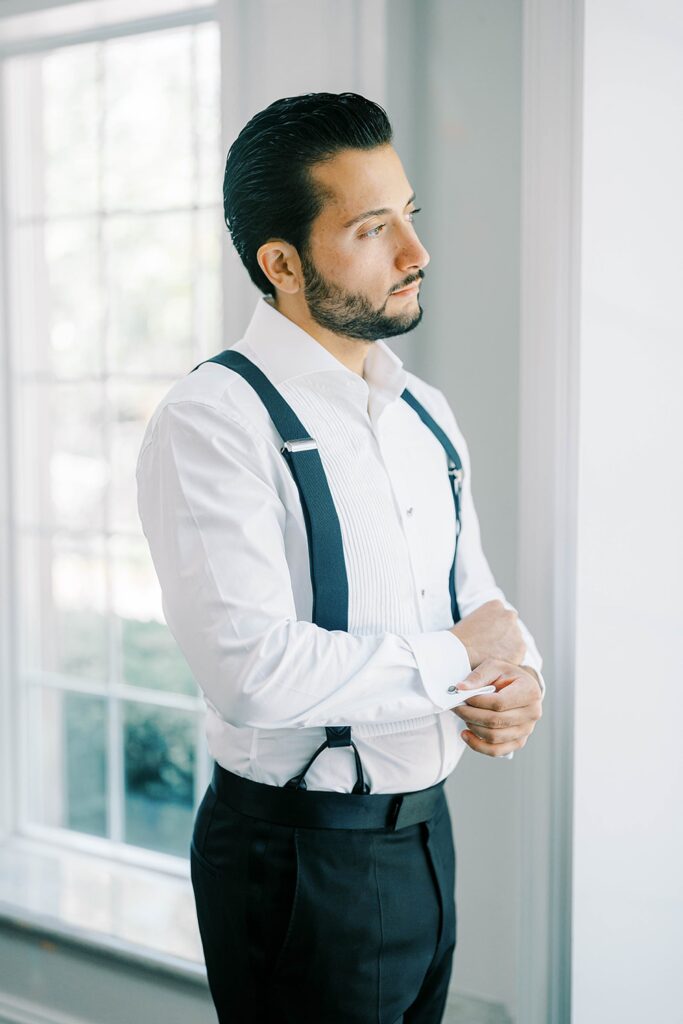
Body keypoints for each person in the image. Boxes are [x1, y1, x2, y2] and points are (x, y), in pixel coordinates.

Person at [136, 92, 544, 1024]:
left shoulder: (423, 411)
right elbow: (254, 673)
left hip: (427, 836)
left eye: (410, 215)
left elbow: (475, 603)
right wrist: (455, 657)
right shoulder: (213, 421)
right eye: (371, 227)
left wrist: (519, 680)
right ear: (281, 263)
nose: (415, 252)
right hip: (299, 861)